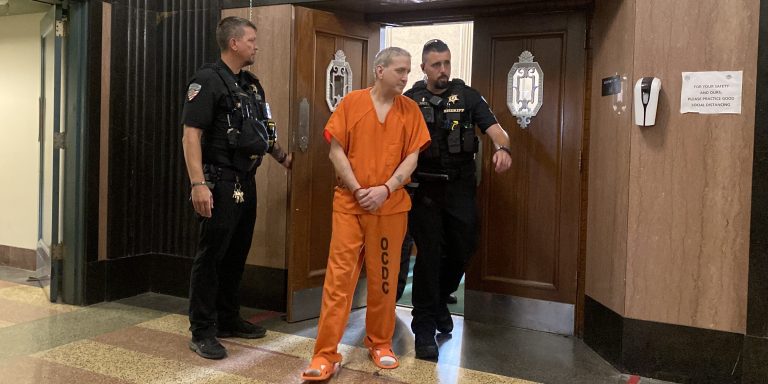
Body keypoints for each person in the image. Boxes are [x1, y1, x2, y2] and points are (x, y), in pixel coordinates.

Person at [301, 47, 431, 381]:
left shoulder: (410, 110)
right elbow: (335, 151)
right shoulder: (352, 104)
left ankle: (381, 343)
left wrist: (385, 189)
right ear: (379, 70)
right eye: (400, 70)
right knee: (339, 280)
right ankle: (325, 354)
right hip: (350, 204)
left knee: (384, 280)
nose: (406, 77)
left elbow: (412, 158)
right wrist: (359, 189)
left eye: (407, 71)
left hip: (389, 207)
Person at [181, 16, 292, 360]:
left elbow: (261, 131)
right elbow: (191, 135)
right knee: (211, 256)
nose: (256, 46)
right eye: (252, 40)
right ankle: (202, 329)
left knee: (237, 253)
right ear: (234, 43)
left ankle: (228, 317)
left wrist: (283, 158)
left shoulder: (251, 84)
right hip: (219, 180)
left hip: (246, 179)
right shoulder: (207, 81)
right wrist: (198, 183)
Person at [404, 39, 512, 360]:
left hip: (460, 188)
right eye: (436, 64)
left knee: (464, 247)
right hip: (424, 190)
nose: (443, 70)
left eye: (447, 63)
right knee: (428, 257)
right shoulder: (410, 101)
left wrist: (503, 149)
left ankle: (439, 299)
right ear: (424, 67)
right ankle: (423, 328)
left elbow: (497, 131)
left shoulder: (467, 97)